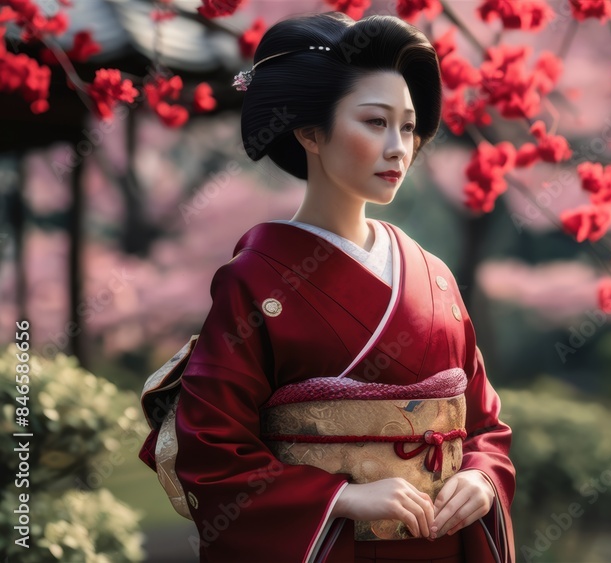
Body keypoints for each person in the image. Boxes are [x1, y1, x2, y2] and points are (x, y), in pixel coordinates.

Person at [167, 12, 515, 562]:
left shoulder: (435, 275)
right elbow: (212, 449)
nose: (400, 147)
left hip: (442, 543)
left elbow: (485, 423)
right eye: (375, 122)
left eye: (408, 125)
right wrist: (341, 498)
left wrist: (482, 478)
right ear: (309, 132)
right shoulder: (254, 280)